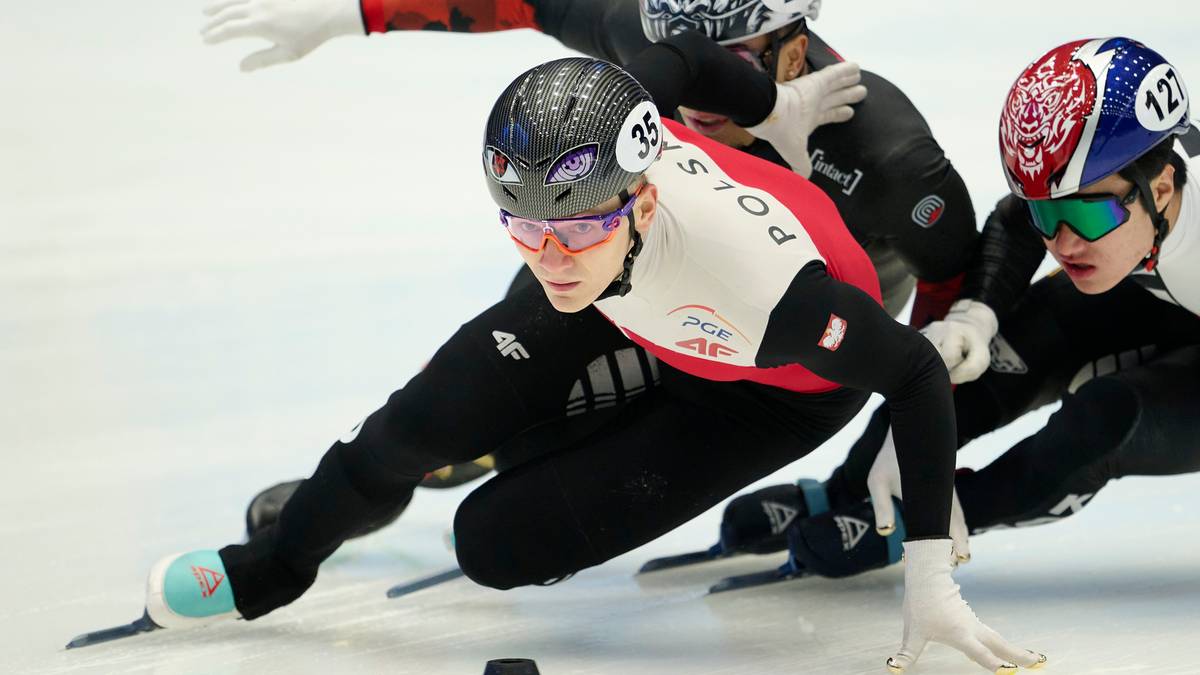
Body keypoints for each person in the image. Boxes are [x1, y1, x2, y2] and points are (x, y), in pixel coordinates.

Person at [135, 52, 1044, 672]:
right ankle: (269, 570)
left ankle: (541, 435)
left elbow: (918, 375)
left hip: (763, 386)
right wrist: (773, 106)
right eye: (523, 229)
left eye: (570, 229)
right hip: (631, 305)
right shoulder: (586, 212)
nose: (548, 255)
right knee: (409, 429)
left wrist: (930, 576)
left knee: (491, 543)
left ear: (643, 199)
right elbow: (680, 56)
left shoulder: (775, 289)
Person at [203, 0, 981, 544]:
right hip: (644, 262)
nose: (707, 94)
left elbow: (955, 284)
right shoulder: (650, 41)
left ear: (795, 43)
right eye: (692, 52)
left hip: (789, 338)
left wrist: (900, 441)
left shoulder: (884, 149)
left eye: (737, 61)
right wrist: (352, 14)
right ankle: (436, 460)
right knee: (549, 280)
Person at [724, 37, 1200, 584]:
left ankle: (914, 526)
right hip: (1156, 286)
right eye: (1048, 214)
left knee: (1104, 422)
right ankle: (843, 490)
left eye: (1086, 217)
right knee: (965, 366)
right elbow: (1016, 223)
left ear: (1162, 188)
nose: (1063, 243)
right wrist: (974, 316)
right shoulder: (1124, 197)